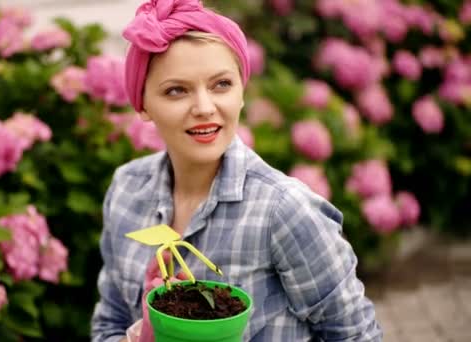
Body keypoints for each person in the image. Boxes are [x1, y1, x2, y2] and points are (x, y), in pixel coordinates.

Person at [91, 0, 382, 341]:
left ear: (242, 92)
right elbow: (107, 325)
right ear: (143, 105)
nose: (204, 107)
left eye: (221, 85)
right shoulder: (126, 191)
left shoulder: (284, 209)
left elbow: (356, 335)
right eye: (176, 90)